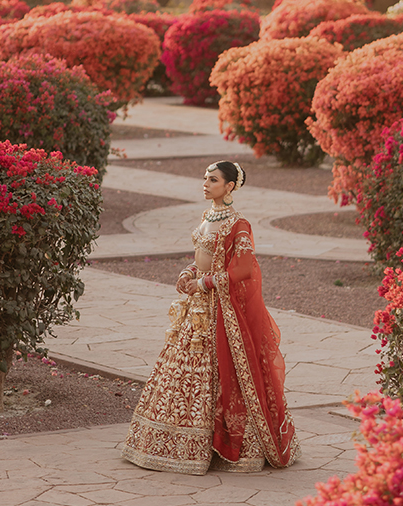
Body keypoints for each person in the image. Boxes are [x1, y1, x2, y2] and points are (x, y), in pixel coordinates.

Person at [121, 161, 300, 474]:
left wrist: (203, 282)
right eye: (205, 178)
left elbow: (244, 269)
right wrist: (189, 272)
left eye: (213, 180)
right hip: (198, 307)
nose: (205, 184)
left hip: (221, 310)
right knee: (185, 371)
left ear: (230, 186)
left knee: (225, 370)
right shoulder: (207, 217)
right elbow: (201, 259)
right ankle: (178, 443)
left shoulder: (238, 225)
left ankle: (230, 447)